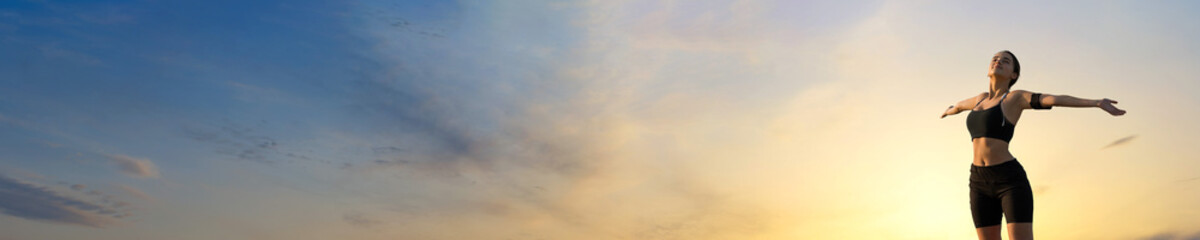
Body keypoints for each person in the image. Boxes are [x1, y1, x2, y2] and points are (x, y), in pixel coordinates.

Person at [940, 50, 1127, 240]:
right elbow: (959, 106)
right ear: (988, 69)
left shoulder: (1014, 98)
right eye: (995, 59)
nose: (998, 61)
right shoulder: (979, 99)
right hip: (978, 181)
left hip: (1009, 180)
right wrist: (950, 110)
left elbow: (1055, 99)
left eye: (1006, 61)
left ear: (1014, 75)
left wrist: (1096, 102)